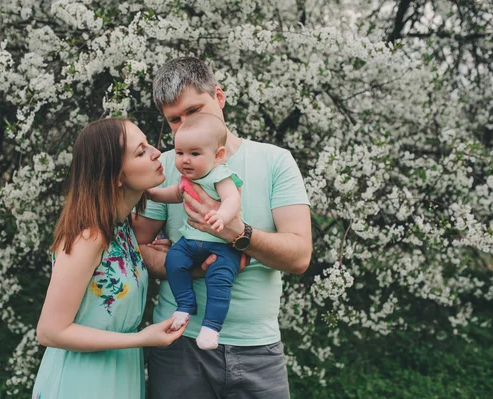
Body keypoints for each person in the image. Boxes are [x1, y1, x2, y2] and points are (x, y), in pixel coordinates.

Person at [132, 57, 312, 398]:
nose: (187, 124)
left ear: (219, 97)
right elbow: (136, 249)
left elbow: (300, 256)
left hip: (258, 348)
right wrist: (197, 269)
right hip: (178, 342)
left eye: (194, 109)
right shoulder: (166, 166)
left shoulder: (275, 161)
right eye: (174, 119)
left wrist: (238, 235)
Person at [32, 118, 187, 399]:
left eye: (149, 144)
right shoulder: (89, 236)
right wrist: (141, 338)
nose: (156, 153)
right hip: (83, 379)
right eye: (140, 152)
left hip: (121, 370)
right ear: (115, 175)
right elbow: (50, 331)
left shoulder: (122, 226)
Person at [146, 113, 243, 350]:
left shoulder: (220, 175)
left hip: (222, 245)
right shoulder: (185, 179)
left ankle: (211, 328)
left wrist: (221, 216)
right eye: (180, 153)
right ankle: (185, 304)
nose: (185, 160)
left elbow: (232, 199)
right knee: (173, 262)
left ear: (217, 156)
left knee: (219, 281)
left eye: (195, 154)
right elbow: (172, 194)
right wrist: (150, 193)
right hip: (190, 240)